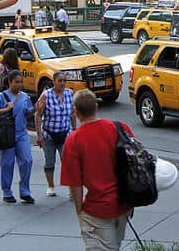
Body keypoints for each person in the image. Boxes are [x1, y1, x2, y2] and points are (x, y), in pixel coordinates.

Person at [62, 89, 133, 251]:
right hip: (124, 202)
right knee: (115, 245)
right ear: (96, 106)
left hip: (97, 208)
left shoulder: (74, 140)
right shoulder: (119, 127)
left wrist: (79, 210)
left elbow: (75, 183)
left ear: (75, 111)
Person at [0, 70, 36, 204]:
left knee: (27, 160)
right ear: (10, 82)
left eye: (21, 82)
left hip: (21, 133)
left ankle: (25, 191)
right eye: (16, 82)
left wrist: (37, 108)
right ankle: (7, 192)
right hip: (6, 134)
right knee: (7, 163)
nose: (19, 85)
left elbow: (27, 112)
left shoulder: (25, 97)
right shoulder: (0, 97)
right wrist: (5, 109)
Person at [35, 71, 75, 197]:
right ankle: (51, 186)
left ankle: (71, 189)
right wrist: (39, 135)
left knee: (68, 163)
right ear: (54, 82)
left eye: (64, 81)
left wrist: (75, 130)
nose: (62, 83)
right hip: (49, 135)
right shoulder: (46, 96)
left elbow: (72, 113)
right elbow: (38, 115)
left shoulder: (69, 94)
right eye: (60, 81)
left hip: (65, 133)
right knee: (49, 162)